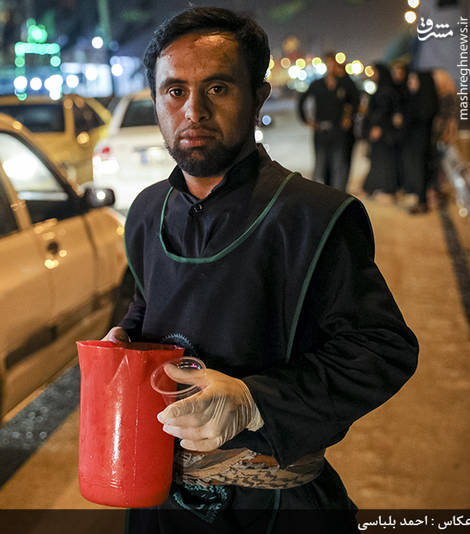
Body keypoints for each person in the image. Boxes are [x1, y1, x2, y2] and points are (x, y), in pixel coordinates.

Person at [102, 7, 418, 533]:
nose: (193, 110)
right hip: (159, 500)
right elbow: (146, 305)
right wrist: (125, 344)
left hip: (273, 507)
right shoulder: (145, 212)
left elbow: (382, 351)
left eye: (218, 88)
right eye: (174, 91)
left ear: (258, 98)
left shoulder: (315, 217)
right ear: (156, 100)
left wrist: (253, 402)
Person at [297, 52, 357, 191]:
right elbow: (301, 101)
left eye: (333, 64)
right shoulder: (317, 84)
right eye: (328, 64)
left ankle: (339, 197)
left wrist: (349, 117)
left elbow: (355, 101)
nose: (331, 67)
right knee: (320, 165)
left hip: (339, 132)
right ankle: (320, 195)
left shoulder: (345, 83)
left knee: (338, 165)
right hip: (321, 131)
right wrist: (306, 120)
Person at [361, 64, 403, 199]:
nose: (372, 75)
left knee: (384, 161)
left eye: (374, 73)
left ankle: (387, 189)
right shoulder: (382, 89)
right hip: (381, 133)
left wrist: (378, 128)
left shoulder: (386, 91)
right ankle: (373, 188)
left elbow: (384, 112)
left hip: (383, 134)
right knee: (378, 160)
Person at [401, 70, 439, 214]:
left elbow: (419, 118)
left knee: (421, 171)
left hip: (421, 143)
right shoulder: (414, 98)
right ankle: (420, 200)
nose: (410, 83)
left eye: (413, 80)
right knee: (417, 170)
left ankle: (422, 202)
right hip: (415, 142)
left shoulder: (426, 101)